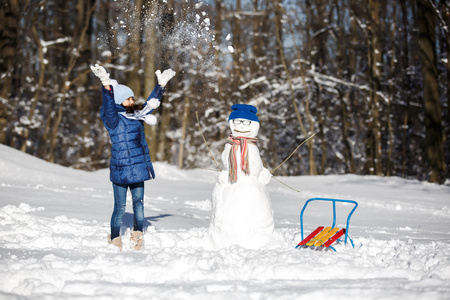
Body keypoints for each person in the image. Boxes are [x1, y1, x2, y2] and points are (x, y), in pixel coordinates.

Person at [90, 64, 176, 251]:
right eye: (128, 99)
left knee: (139, 205)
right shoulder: (113, 120)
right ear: (120, 102)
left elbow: (150, 105)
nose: (132, 101)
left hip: (137, 169)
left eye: (132, 98)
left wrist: (160, 86)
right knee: (120, 206)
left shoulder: (136, 116)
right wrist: (106, 84)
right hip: (120, 169)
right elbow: (108, 106)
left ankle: (138, 236)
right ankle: (114, 238)